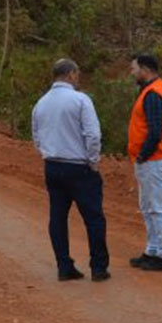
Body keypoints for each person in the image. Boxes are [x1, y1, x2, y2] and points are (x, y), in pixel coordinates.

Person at [32, 59, 110, 282]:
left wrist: (48, 153)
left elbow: (36, 136)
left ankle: (64, 266)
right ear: (71, 74)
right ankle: (98, 267)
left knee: (57, 216)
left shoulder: (41, 103)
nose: (78, 78)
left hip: (53, 166)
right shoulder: (80, 99)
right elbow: (93, 135)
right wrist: (93, 160)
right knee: (94, 217)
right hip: (79, 167)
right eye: (77, 74)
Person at [127, 53, 162, 272]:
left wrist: (142, 155)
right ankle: (153, 250)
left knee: (156, 207)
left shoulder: (153, 94)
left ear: (145, 69)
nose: (132, 72)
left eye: (134, 68)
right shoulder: (152, 90)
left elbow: (155, 131)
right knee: (148, 207)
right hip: (152, 159)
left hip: (153, 159)